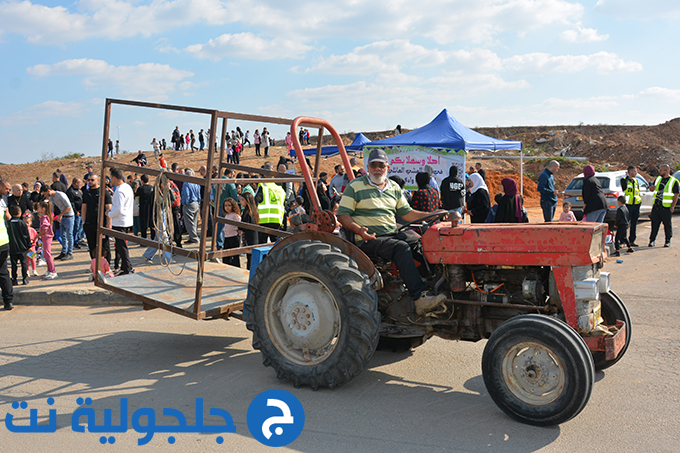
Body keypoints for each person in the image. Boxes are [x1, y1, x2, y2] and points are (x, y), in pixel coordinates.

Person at [336, 148, 447, 315]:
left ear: (387, 167)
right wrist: (359, 230)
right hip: (368, 239)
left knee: (423, 243)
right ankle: (419, 298)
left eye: (381, 165)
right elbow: (343, 215)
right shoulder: (355, 186)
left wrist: (433, 215)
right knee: (400, 248)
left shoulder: (394, 187)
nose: (377, 169)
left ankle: (436, 285)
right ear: (368, 166)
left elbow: (407, 214)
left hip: (391, 234)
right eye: (374, 165)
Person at [108, 168, 134, 275]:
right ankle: (126, 267)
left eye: (110, 178)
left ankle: (127, 268)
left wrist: (109, 214)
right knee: (121, 246)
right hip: (125, 220)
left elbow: (119, 209)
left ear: (114, 178)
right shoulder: (127, 187)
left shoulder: (119, 191)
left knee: (121, 247)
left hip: (119, 221)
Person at [81, 174, 111, 263]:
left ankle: (107, 266)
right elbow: (84, 208)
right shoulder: (86, 192)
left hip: (102, 223)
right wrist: (83, 222)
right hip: (90, 224)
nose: (90, 182)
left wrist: (109, 222)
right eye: (88, 180)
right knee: (92, 246)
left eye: (92, 180)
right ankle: (95, 266)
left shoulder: (104, 192)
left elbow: (109, 208)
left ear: (98, 180)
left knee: (104, 247)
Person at [648, 164, 679, 247]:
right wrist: (652, 188)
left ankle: (667, 241)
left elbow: (676, 194)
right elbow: (652, 189)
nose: (660, 172)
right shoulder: (658, 179)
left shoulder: (673, 181)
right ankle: (652, 240)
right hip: (656, 206)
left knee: (667, 225)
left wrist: (672, 206)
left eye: (661, 170)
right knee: (654, 224)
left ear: (667, 171)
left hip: (666, 207)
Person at [40, 185, 74, 260]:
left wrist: (60, 215)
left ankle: (70, 252)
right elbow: (50, 207)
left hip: (69, 216)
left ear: (49, 191)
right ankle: (64, 251)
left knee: (69, 235)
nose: (45, 195)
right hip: (62, 216)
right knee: (63, 235)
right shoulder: (52, 197)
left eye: (45, 194)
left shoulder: (61, 195)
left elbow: (69, 207)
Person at [255, 167, 286, 244]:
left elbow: (254, 202)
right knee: (275, 245)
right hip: (276, 221)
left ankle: (265, 256)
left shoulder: (263, 186)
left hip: (263, 221)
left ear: (264, 176)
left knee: (262, 245)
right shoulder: (280, 189)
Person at [8, 205, 30, 285]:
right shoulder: (22, 223)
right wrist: (29, 245)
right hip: (22, 247)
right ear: (20, 213)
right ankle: (24, 278)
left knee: (14, 264)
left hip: (12, 247)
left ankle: (14, 278)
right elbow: (26, 235)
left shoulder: (8, 223)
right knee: (23, 263)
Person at [621, 165, 642, 246]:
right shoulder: (624, 180)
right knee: (625, 223)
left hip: (636, 205)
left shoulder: (636, 181)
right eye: (635, 171)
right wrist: (627, 178)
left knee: (634, 224)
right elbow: (624, 188)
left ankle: (632, 240)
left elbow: (637, 191)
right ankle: (623, 241)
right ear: (630, 172)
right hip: (628, 205)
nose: (636, 173)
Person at [37, 200, 57, 280]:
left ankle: (53, 271)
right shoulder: (46, 216)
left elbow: (45, 229)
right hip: (45, 237)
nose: (38, 209)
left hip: (46, 237)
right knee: (46, 254)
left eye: (39, 207)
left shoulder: (45, 218)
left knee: (48, 254)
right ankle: (49, 270)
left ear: (43, 208)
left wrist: (37, 235)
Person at [239, 192, 259, 269]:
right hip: (252, 235)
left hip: (250, 236)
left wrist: (239, 227)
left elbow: (246, 225)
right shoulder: (252, 210)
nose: (241, 202)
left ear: (248, 201)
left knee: (250, 257)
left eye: (243, 200)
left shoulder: (248, 212)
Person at [181, 168, 201, 244]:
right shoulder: (196, 183)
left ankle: (194, 237)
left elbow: (186, 194)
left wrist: (185, 203)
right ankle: (192, 237)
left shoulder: (186, 183)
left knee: (189, 222)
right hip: (196, 203)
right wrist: (198, 202)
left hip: (189, 204)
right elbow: (199, 194)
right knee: (194, 221)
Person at [221, 198, 241, 267]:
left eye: (229, 205)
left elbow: (239, 224)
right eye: (225, 206)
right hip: (227, 237)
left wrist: (238, 231)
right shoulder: (227, 215)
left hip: (234, 236)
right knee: (226, 256)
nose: (227, 207)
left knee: (234, 256)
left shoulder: (235, 215)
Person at [66, 178, 84, 249]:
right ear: (76, 183)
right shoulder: (70, 191)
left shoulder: (79, 190)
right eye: (79, 183)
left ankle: (78, 240)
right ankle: (73, 243)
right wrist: (75, 211)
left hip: (81, 212)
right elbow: (70, 203)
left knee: (80, 228)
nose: (80, 185)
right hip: (76, 213)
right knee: (75, 228)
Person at [137, 174, 155, 240]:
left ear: (142, 181)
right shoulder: (152, 188)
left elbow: (135, 197)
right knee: (152, 223)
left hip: (143, 208)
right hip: (151, 208)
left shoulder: (140, 189)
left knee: (143, 224)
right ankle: (153, 238)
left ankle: (144, 239)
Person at [23, 212, 38, 277]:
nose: (26, 224)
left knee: (33, 259)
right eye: (25, 222)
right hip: (25, 247)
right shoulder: (22, 230)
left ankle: (34, 270)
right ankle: (27, 271)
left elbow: (36, 237)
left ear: (30, 222)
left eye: (27, 222)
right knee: (26, 260)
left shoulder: (32, 230)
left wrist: (34, 242)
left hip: (32, 247)